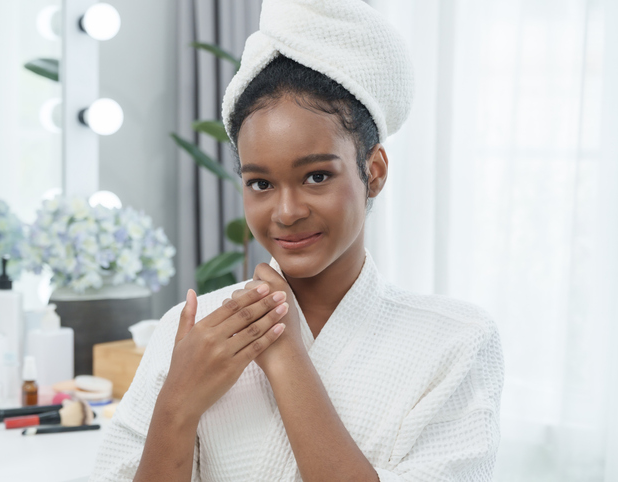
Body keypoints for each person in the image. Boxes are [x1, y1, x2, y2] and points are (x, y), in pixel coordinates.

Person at [91, 1, 504, 481]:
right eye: (261, 184)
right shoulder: (192, 336)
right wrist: (177, 404)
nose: (286, 212)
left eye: (316, 176)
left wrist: (287, 360)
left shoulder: (455, 343)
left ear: (374, 171)